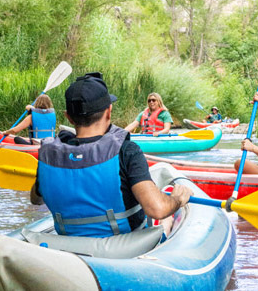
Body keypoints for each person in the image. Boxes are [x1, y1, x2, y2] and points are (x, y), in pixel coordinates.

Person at [30, 72, 192, 238]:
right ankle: (168, 225)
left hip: (68, 244)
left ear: (68, 117)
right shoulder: (127, 151)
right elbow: (157, 209)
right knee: (166, 221)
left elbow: (36, 199)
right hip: (124, 246)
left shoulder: (48, 154)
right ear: (109, 111)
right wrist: (177, 199)